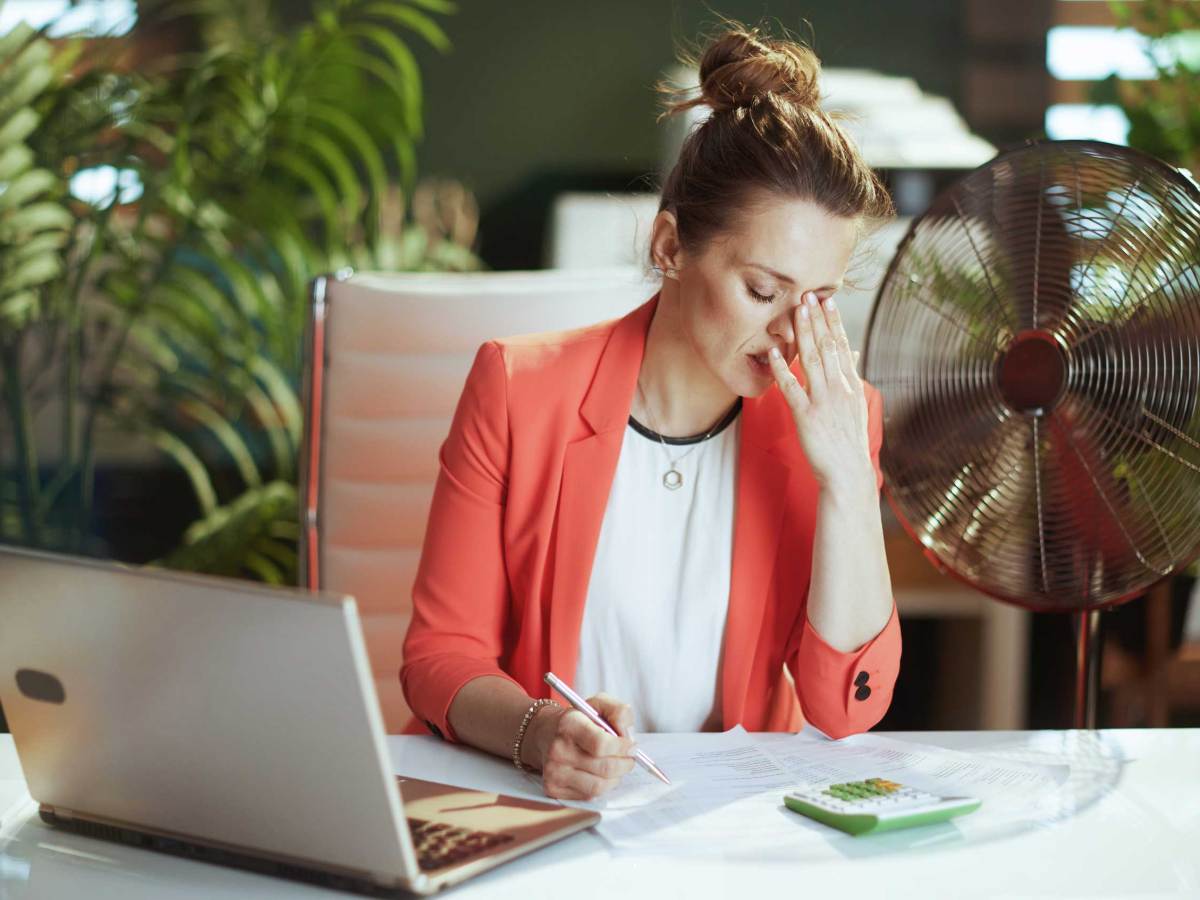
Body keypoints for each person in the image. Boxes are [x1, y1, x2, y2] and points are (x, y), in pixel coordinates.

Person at [401, 23, 901, 802]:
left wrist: (847, 481)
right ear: (669, 246)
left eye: (817, 301)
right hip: (537, 805)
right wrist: (541, 733)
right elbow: (439, 657)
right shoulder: (517, 389)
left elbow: (845, 710)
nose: (788, 332)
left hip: (720, 823)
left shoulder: (834, 423)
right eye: (762, 291)